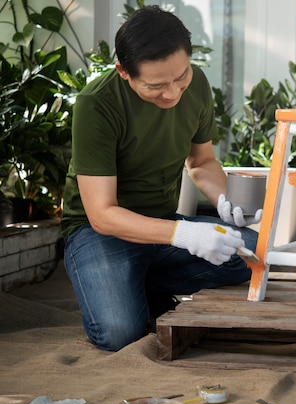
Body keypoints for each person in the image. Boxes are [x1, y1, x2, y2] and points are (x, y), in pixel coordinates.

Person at [61, 6, 261, 352]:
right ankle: (128, 284)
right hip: (99, 233)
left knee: (253, 252)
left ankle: (142, 283)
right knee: (120, 333)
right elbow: (102, 213)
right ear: (123, 72)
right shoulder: (96, 104)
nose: (172, 94)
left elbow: (200, 161)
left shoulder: (196, 84)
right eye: (155, 85)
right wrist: (185, 234)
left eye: (180, 76)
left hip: (162, 226)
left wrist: (224, 201)